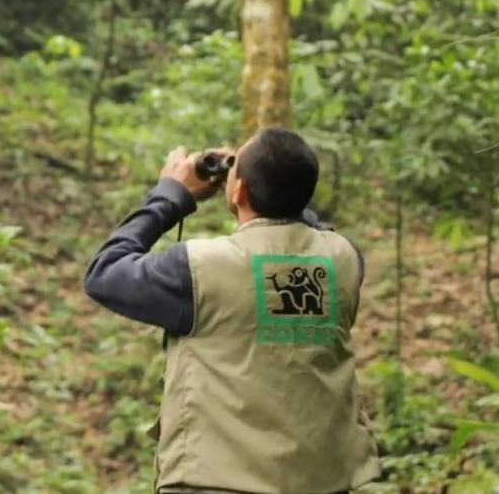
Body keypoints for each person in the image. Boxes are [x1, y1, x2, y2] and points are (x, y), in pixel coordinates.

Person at [83, 127, 380, 494]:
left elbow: (104, 273)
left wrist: (170, 194)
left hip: (216, 483)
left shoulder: (200, 269)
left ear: (237, 191)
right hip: (325, 483)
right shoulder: (345, 259)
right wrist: (269, 183)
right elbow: (299, 221)